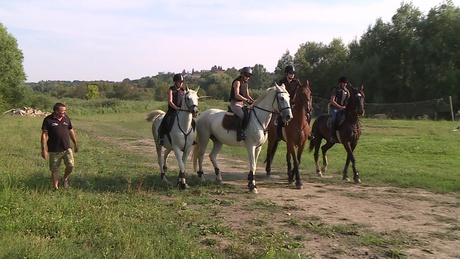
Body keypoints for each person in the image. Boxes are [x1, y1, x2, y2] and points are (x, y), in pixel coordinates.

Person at [41, 102, 79, 191]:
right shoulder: (48, 120)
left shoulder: (66, 118)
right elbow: (44, 135)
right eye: (62, 111)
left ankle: (65, 178)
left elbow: (71, 130)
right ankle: (56, 187)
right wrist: (44, 149)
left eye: (65, 110)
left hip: (67, 148)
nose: (64, 112)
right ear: (56, 111)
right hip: (54, 149)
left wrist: (75, 143)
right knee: (54, 169)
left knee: (70, 166)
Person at [278, 65, 314, 140]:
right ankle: (278, 134)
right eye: (291, 73)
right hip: (285, 103)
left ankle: (308, 132)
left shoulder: (296, 81)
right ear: (287, 73)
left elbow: (301, 89)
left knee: (309, 114)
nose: (292, 74)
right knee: (280, 117)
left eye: (293, 73)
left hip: (294, 103)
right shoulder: (282, 82)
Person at [158, 73, 186, 145]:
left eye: (182, 82)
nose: (181, 83)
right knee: (164, 121)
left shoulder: (183, 91)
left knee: (192, 122)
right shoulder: (171, 89)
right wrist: (176, 108)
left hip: (181, 112)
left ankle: (190, 138)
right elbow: (170, 101)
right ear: (175, 82)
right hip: (172, 111)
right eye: (180, 82)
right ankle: (161, 138)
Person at [229, 67, 255, 141]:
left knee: (250, 113)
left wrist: (254, 101)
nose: (248, 77)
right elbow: (237, 95)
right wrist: (246, 100)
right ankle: (239, 133)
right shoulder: (237, 82)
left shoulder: (246, 84)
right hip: (235, 104)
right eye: (246, 75)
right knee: (242, 115)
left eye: (249, 76)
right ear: (242, 74)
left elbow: (247, 95)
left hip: (242, 104)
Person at [329, 76, 350, 143]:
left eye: (346, 83)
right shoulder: (335, 90)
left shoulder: (347, 91)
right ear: (340, 83)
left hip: (344, 109)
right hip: (335, 108)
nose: (345, 84)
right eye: (344, 83)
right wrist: (340, 107)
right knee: (334, 119)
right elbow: (332, 101)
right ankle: (332, 136)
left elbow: (349, 100)